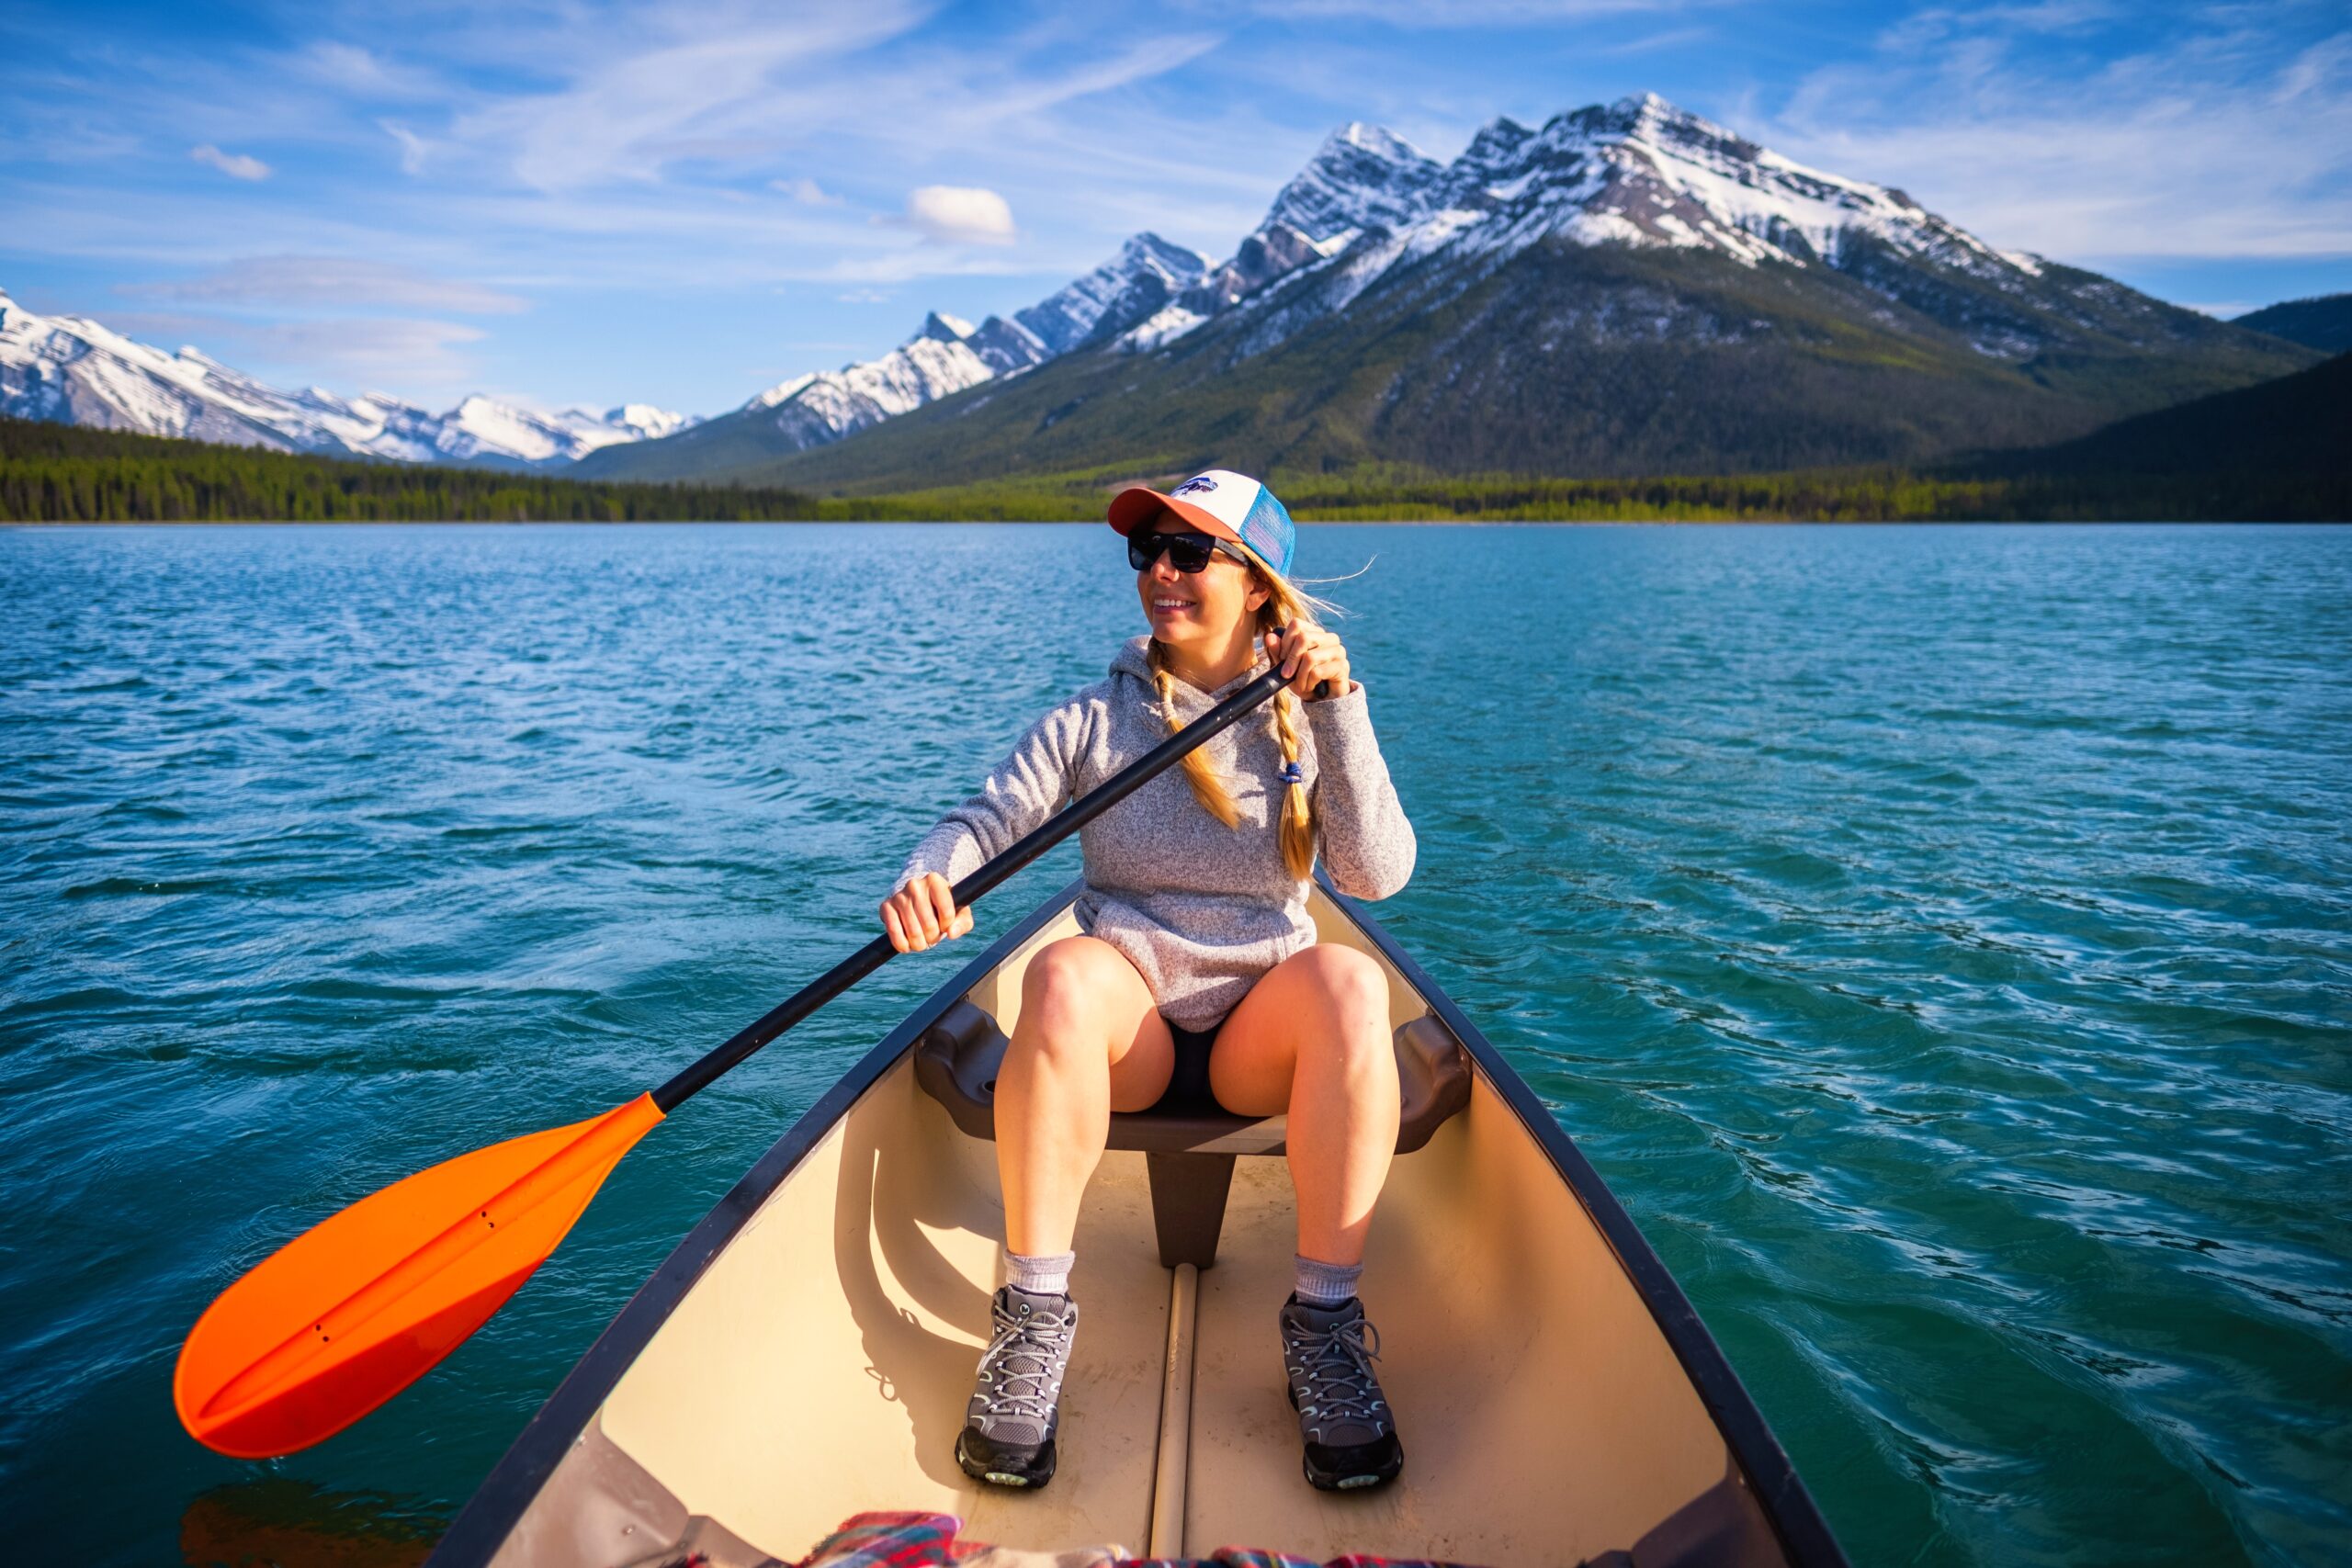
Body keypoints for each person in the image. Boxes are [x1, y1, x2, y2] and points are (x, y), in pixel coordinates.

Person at [879, 469, 1416, 1495]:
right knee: (1063, 976)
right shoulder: (1093, 721)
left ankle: (1327, 1329)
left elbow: (1373, 877)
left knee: (1349, 984)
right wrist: (927, 879)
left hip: (1261, 1030)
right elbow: (983, 823)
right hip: (1133, 1029)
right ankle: (1031, 1321)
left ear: (1256, 582)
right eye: (1146, 551)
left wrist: (1339, 709)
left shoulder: (1309, 712)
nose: (1159, 572)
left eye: (1188, 552)